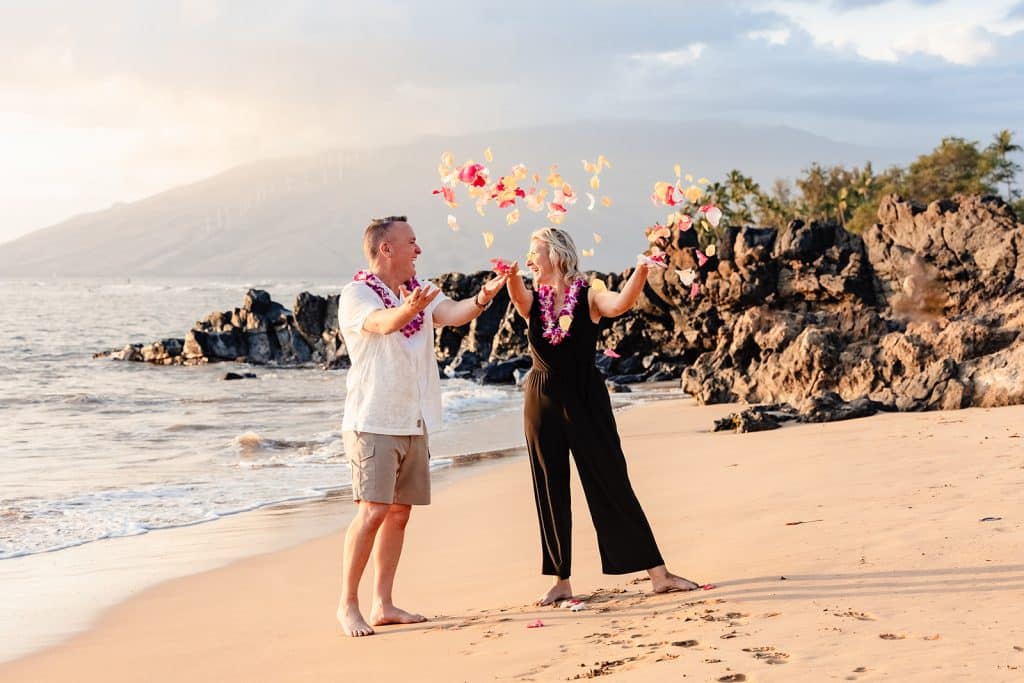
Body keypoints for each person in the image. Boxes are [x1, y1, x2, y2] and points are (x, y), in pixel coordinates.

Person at [505, 226, 704, 605]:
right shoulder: (534, 299)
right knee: (550, 490)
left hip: (586, 398)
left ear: (558, 256)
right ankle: (560, 581)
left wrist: (641, 270)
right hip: (541, 399)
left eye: (535, 252)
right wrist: (512, 276)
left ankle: (658, 574)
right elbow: (518, 296)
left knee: (611, 480)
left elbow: (619, 305)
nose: (530, 259)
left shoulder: (590, 295)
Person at [337, 215, 508, 637]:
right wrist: (405, 310)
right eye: (411, 242)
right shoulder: (357, 294)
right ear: (386, 249)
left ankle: (383, 604)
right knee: (373, 511)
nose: (419, 249)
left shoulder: (418, 291)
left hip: (413, 419)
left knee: (398, 514)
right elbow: (380, 323)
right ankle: (347, 605)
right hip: (373, 419)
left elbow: (451, 313)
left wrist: (483, 297)